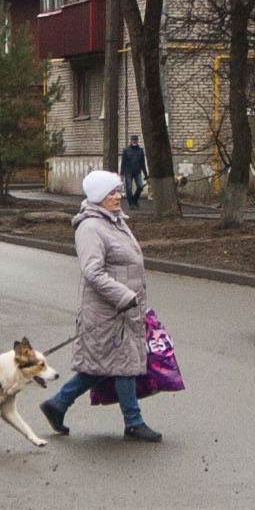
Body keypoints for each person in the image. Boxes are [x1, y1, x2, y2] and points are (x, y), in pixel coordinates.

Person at [40, 168, 159, 442]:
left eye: (118, 191)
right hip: (109, 310)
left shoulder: (113, 221)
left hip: (124, 308)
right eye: (112, 193)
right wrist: (124, 296)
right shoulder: (91, 227)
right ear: (97, 197)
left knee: (102, 366)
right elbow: (92, 271)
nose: (118, 196)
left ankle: (58, 404)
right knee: (122, 365)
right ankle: (134, 422)